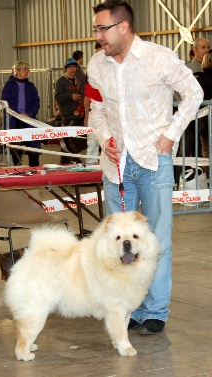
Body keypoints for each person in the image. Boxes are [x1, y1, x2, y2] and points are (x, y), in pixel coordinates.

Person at [87, 0, 203, 334]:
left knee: (157, 241)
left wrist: (170, 135)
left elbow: (193, 93)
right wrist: (106, 136)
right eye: (96, 29)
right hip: (116, 168)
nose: (98, 37)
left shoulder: (158, 58)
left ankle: (154, 311)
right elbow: (96, 109)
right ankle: (128, 307)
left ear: (123, 27)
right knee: (117, 243)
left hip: (154, 164)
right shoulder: (98, 64)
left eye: (102, 29)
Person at [1, 61, 41, 166]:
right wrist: (17, 114)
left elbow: (36, 101)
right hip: (14, 119)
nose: (27, 71)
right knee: (16, 143)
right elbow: (5, 102)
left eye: (28, 69)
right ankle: (17, 165)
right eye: (25, 69)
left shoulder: (31, 86)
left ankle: (34, 165)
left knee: (34, 142)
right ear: (17, 71)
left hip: (29, 118)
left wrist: (30, 114)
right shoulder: (9, 85)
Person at [55, 58, 87, 164]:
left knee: (77, 139)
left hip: (78, 114)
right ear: (66, 69)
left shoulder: (78, 81)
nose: (72, 69)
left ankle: (72, 157)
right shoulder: (61, 81)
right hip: (67, 114)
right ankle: (65, 159)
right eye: (70, 67)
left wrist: (81, 109)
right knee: (67, 139)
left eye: (74, 67)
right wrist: (70, 96)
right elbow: (57, 97)